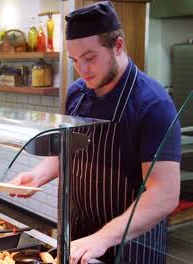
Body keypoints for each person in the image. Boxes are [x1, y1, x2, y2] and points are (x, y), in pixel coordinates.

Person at [10, 2, 181, 264]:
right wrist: (36, 176)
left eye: (90, 58)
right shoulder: (77, 92)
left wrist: (103, 238)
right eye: (75, 60)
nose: (82, 69)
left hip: (129, 244)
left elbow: (164, 194)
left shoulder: (152, 103)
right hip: (79, 234)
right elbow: (66, 150)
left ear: (118, 46)